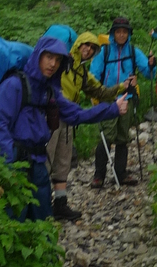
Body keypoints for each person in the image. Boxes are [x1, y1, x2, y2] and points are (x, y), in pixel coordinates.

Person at [0, 35, 127, 221]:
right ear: (38, 56)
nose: (53, 64)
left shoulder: (49, 91)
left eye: (58, 60)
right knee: (14, 218)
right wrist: (8, 166)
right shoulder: (15, 85)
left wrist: (113, 109)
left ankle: (44, 248)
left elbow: (76, 114)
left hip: (38, 162)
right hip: (16, 164)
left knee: (42, 218)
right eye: (49, 57)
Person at [46, 31, 136, 220]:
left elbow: (100, 91)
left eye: (93, 48)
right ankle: (41, 207)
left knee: (63, 162)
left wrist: (122, 87)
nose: (88, 50)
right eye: (86, 45)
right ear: (78, 44)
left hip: (69, 118)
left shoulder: (82, 72)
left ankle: (60, 204)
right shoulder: (62, 63)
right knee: (46, 160)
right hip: (52, 116)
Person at [88, 17, 156, 188]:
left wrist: (151, 65)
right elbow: (93, 75)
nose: (121, 35)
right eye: (118, 31)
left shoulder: (133, 51)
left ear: (128, 34)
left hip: (127, 98)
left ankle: (120, 173)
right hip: (108, 98)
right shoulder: (104, 52)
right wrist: (96, 94)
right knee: (107, 136)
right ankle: (99, 175)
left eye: (124, 32)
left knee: (123, 137)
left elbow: (148, 74)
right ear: (113, 33)